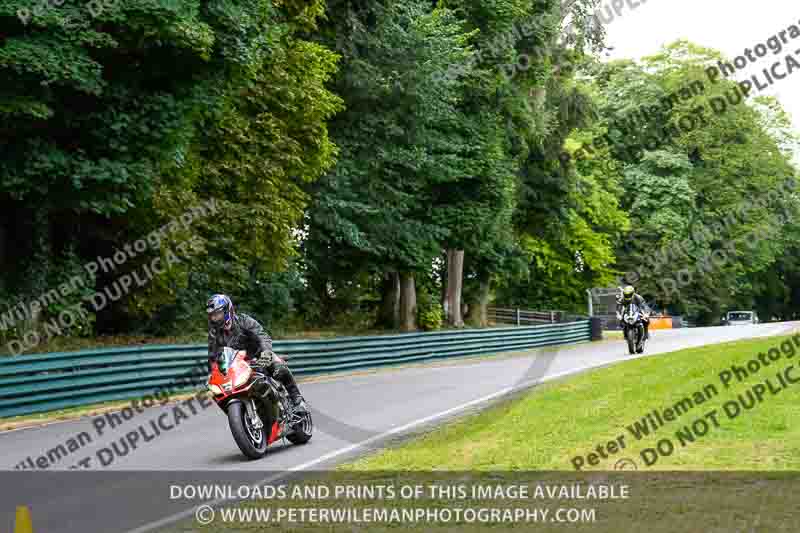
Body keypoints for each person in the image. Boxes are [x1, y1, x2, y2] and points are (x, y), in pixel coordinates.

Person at [206, 294, 307, 414]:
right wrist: (212, 375)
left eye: (217, 314)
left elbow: (263, 336)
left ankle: (297, 400)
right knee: (216, 392)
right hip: (237, 367)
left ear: (227, 310)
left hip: (258, 356)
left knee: (278, 367)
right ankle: (241, 414)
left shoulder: (244, 321)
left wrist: (265, 354)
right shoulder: (214, 334)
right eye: (212, 315)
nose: (215, 318)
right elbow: (213, 357)